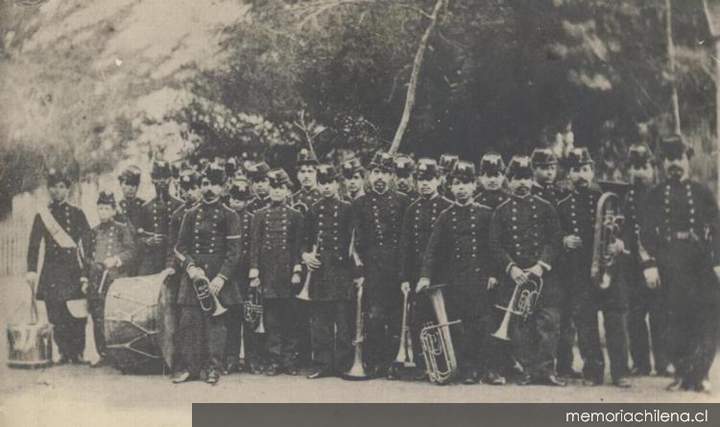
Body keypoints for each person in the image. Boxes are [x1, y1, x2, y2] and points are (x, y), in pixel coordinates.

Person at [640, 135, 719, 393]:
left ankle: (702, 373)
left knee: (707, 317)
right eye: (669, 159)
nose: (675, 164)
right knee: (671, 319)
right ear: (663, 162)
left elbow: (717, 228)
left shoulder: (702, 192)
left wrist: (717, 261)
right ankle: (683, 372)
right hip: (668, 261)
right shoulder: (655, 194)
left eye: (679, 158)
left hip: (699, 262)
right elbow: (646, 232)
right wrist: (650, 264)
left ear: (687, 160)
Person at [489, 156, 565, 386]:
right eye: (516, 178)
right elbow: (495, 244)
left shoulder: (546, 208)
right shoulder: (501, 212)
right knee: (520, 325)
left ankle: (547, 370)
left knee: (548, 321)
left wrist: (541, 265)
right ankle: (527, 370)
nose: (522, 183)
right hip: (515, 278)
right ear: (508, 181)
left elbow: (555, 240)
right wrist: (510, 268)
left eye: (526, 178)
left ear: (532, 180)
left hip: (543, 277)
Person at [557, 147, 630, 387]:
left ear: (593, 171)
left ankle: (620, 372)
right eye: (576, 170)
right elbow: (554, 233)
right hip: (581, 272)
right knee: (586, 324)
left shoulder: (609, 198)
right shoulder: (563, 204)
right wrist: (564, 240)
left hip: (610, 270)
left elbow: (629, 229)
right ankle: (593, 372)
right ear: (568, 174)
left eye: (585, 169)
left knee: (615, 322)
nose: (581, 175)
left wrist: (620, 243)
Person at [419, 161, 494, 384]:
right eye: (456, 183)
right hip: (455, 281)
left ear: (474, 186)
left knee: (483, 324)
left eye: (466, 183)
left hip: (481, 278)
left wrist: (493, 274)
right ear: (450, 187)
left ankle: (486, 369)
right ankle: (467, 368)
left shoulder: (486, 214)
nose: (461, 188)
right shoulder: (445, 216)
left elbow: (493, 247)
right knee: (462, 327)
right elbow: (432, 250)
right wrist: (425, 276)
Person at [172, 164, 242, 384]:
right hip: (194, 277)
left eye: (214, 184)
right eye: (205, 184)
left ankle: (214, 368)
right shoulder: (190, 214)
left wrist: (222, 278)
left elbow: (234, 253)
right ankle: (191, 369)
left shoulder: (230, 216)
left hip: (217, 277)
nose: (209, 189)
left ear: (224, 187)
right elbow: (180, 247)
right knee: (189, 322)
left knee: (215, 325)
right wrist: (191, 267)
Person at [350, 151, 410, 379]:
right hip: (373, 269)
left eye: (385, 172)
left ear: (392, 175)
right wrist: (360, 271)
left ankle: (395, 363)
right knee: (374, 317)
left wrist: (405, 274)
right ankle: (376, 361)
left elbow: (406, 241)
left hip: (397, 267)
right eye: (376, 172)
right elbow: (356, 242)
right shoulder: (360, 204)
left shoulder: (403, 202)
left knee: (396, 318)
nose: (380, 177)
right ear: (368, 174)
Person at [26, 168, 92, 364]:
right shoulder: (43, 215)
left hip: (73, 269)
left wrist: (87, 271)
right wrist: (31, 270)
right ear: (49, 190)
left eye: (61, 187)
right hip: (52, 271)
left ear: (68, 189)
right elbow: (34, 244)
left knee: (77, 311)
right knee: (56, 311)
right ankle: (63, 351)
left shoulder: (77, 214)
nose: (57, 191)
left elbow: (88, 243)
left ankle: (78, 352)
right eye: (53, 187)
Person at [397, 158, 452, 379]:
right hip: (417, 274)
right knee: (419, 319)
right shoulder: (412, 209)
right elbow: (405, 246)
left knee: (443, 320)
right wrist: (404, 277)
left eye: (429, 179)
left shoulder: (447, 206)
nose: (424, 184)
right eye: (420, 179)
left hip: (442, 275)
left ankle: (445, 362)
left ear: (438, 180)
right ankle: (423, 364)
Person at [302, 164, 356, 379]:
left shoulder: (347, 208)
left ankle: (343, 364)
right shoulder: (313, 210)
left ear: (336, 183)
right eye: (322, 183)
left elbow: (354, 241)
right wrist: (305, 255)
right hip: (320, 271)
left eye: (329, 182)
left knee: (343, 321)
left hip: (342, 271)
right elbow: (304, 241)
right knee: (320, 322)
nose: (325, 187)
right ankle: (323, 364)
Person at [249, 169, 304, 376]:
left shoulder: (295, 216)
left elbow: (298, 246)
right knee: (271, 320)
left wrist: (297, 270)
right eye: (274, 187)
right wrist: (254, 272)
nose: (277, 192)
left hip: (288, 274)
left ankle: (289, 360)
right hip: (268, 274)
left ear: (287, 190)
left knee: (290, 318)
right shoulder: (259, 215)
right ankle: (273, 360)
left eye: (281, 187)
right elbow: (254, 245)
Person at [622, 143, 670, 377]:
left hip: (658, 263)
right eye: (634, 167)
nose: (639, 172)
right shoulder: (626, 196)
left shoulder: (662, 194)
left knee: (660, 312)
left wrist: (653, 263)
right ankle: (640, 362)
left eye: (643, 167)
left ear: (653, 168)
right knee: (635, 315)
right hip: (631, 265)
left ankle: (663, 362)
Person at [530, 148, 576, 378]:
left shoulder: (560, 193)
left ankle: (566, 365)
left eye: (551, 168)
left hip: (564, 265)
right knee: (548, 319)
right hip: (543, 264)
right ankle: (542, 366)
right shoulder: (529, 195)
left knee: (567, 317)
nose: (548, 173)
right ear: (534, 169)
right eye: (543, 168)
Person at [83, 191, 136, 368]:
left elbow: (131, 252)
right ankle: (102, 353)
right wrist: (85, 278)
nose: (103, 212)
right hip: (97, 280)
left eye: (107, 208)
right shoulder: (93, 232)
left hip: (116, 280)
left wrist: (116, 260)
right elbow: (87, 258)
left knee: (116, 317)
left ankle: (118, 354)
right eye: (100, 208)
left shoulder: (122, 229)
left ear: (113, 210)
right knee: (97, 316)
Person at [163, 168, 201, 373]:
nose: (189, 193)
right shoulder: (178, 214)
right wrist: (170, 268)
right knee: (184, 318)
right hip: (184, 272)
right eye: (185, 188)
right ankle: (185, 361)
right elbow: (173, 246)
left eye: (193, 188)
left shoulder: (209, 211)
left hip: (206, 270)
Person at [225, 176, 260, 374]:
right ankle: (230, 358)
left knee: (250, 315)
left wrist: (255, 270)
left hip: (247, 273)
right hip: (230, 274)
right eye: (233, 198)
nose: (236, 203)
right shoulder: (225, 217)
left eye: (240, 199)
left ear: (247, 201)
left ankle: (251, 359)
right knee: (231, 316)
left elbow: (256, 246)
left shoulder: (253, 219)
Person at [137, 160, 182, 275]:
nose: (162, 181)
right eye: (158, 177)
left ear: (171, 179)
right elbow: (137, 236)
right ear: (152, 179)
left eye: (165, 177)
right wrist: (147, 241)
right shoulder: (146, 207)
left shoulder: (179, 205)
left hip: (173, 258)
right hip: (152, 259)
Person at [291, 148, 322, 214]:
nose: (306, 176)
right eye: (302, 172)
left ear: (316, 173)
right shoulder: (292, 199)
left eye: (310, 171)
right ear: (297, 175)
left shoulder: (323, 196)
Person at [115, 165, 144, 230]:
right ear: (121, 184)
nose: (131, 188)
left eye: (134, 184)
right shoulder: (116, 208)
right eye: (127, 184)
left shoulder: (144, 206)